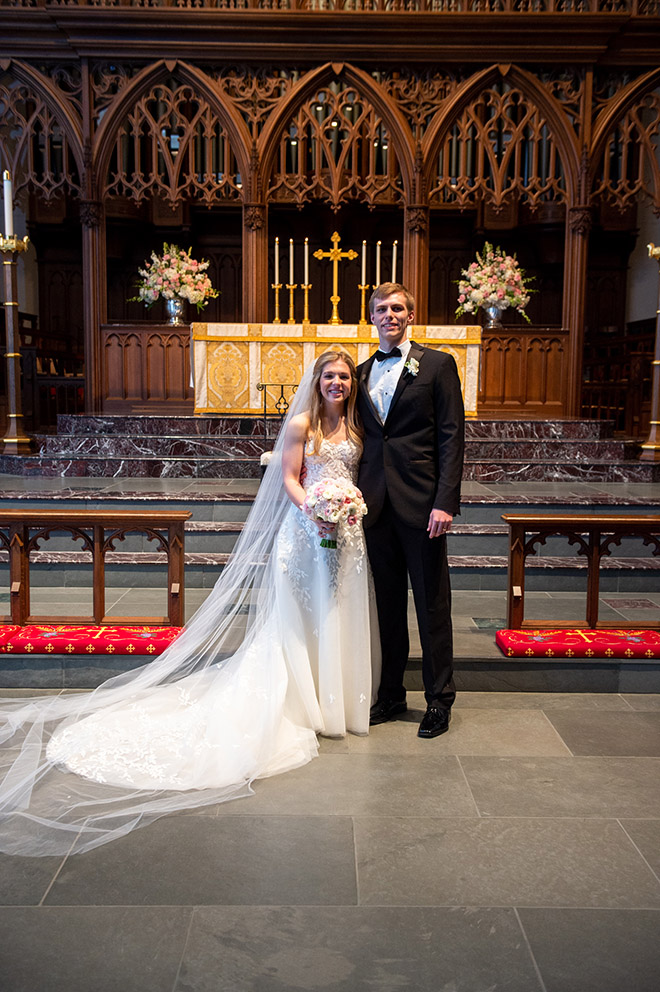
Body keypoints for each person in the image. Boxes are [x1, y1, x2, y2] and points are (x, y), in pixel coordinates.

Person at [0, 350, 378, 856]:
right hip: (305, 531)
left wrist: (344, 511)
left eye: (344, 376)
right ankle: (304, 704)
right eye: (329, 375)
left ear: (353, 382)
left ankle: (337, 700)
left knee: (338, 614)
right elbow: (289, 478)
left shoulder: (355, 426)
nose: (337, 382)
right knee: (299, 618)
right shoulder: (303, 424)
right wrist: (314, 509)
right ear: (317, 380)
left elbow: (356, 474)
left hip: (347, 536)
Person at [357, 283, 465, 739]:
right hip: (375, 505)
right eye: (381, 309)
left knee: (431, 604)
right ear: (372, 317)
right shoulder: (360, 372)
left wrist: (445, 501)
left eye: (398, 308)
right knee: (386, 607)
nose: (390, 315)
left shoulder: (438, 365)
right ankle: (391, 692)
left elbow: (451, 437)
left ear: (411, 314)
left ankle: (439, 700)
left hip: (423, 506)